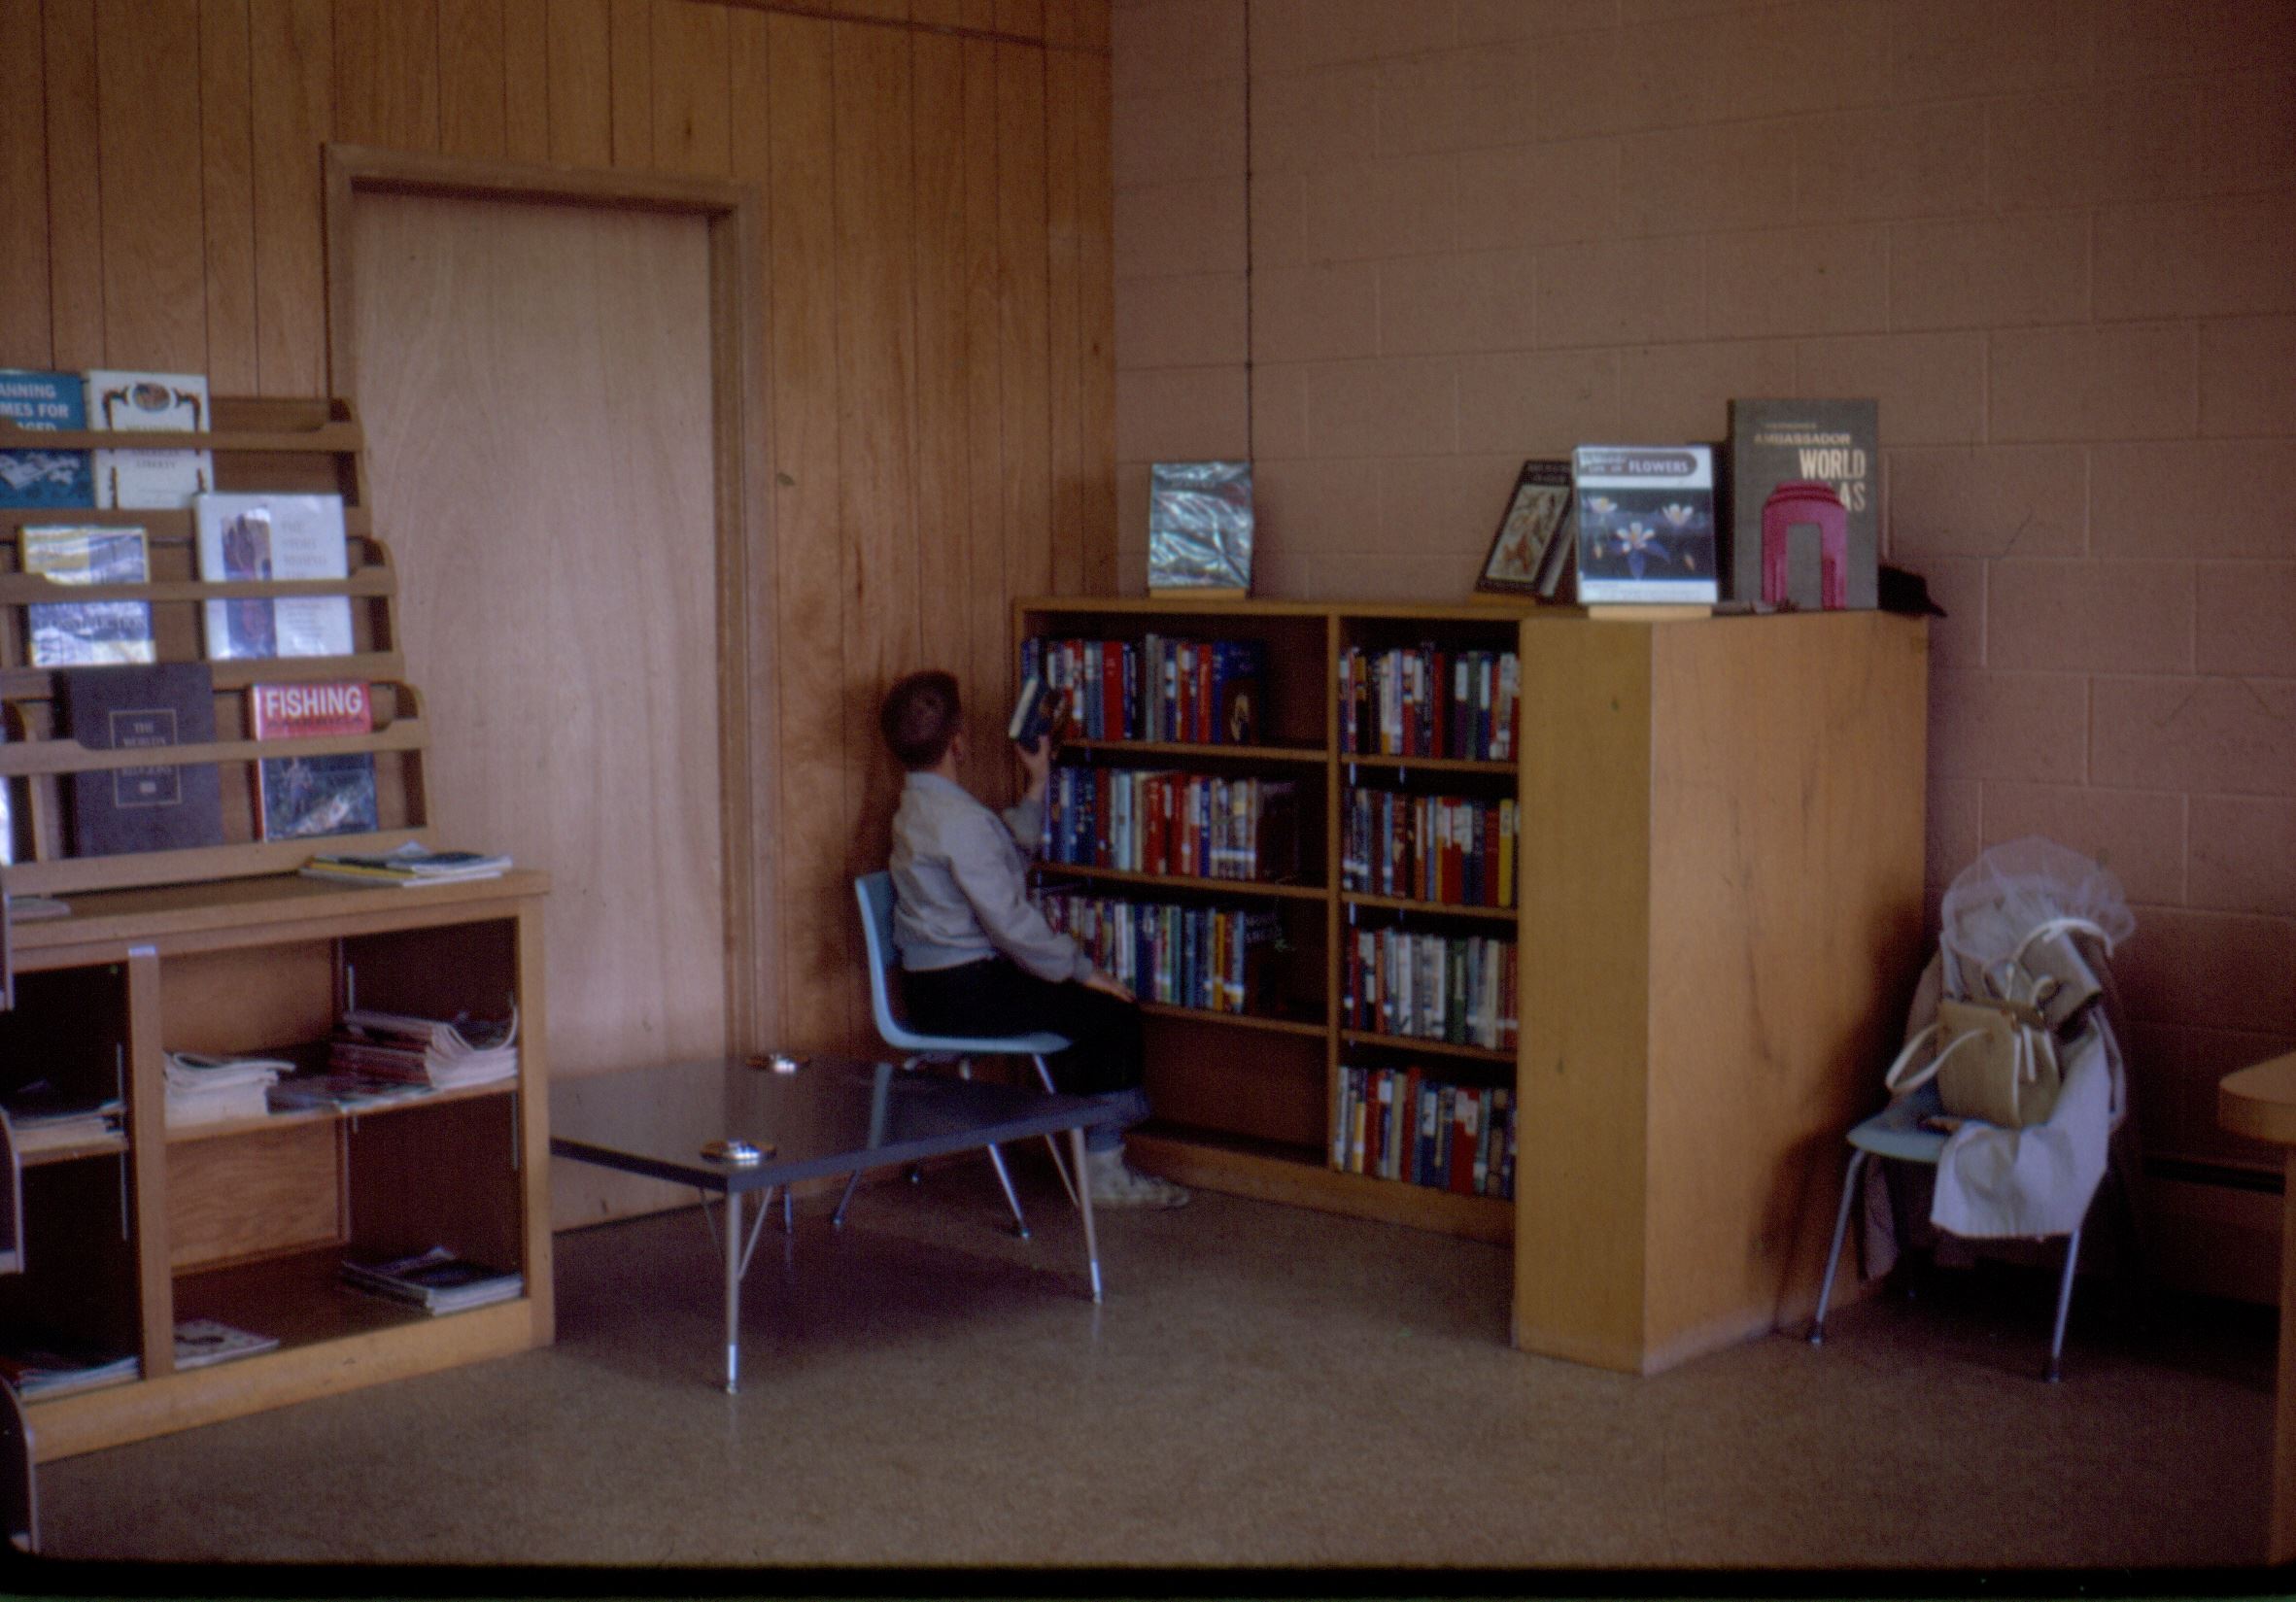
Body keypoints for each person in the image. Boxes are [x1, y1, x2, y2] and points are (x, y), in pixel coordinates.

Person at [879, 669, 1189, 1209]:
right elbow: (1010, 921)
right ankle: (1103, 1172)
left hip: (934, 988)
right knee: (1109, 1013)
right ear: (958, 740)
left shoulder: (918, 810)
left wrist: (1037, 782)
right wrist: (1079, 968)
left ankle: (1087, 1146)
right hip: (962, 992)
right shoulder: (957, 820)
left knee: (1076, 1010)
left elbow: (1002, 865)